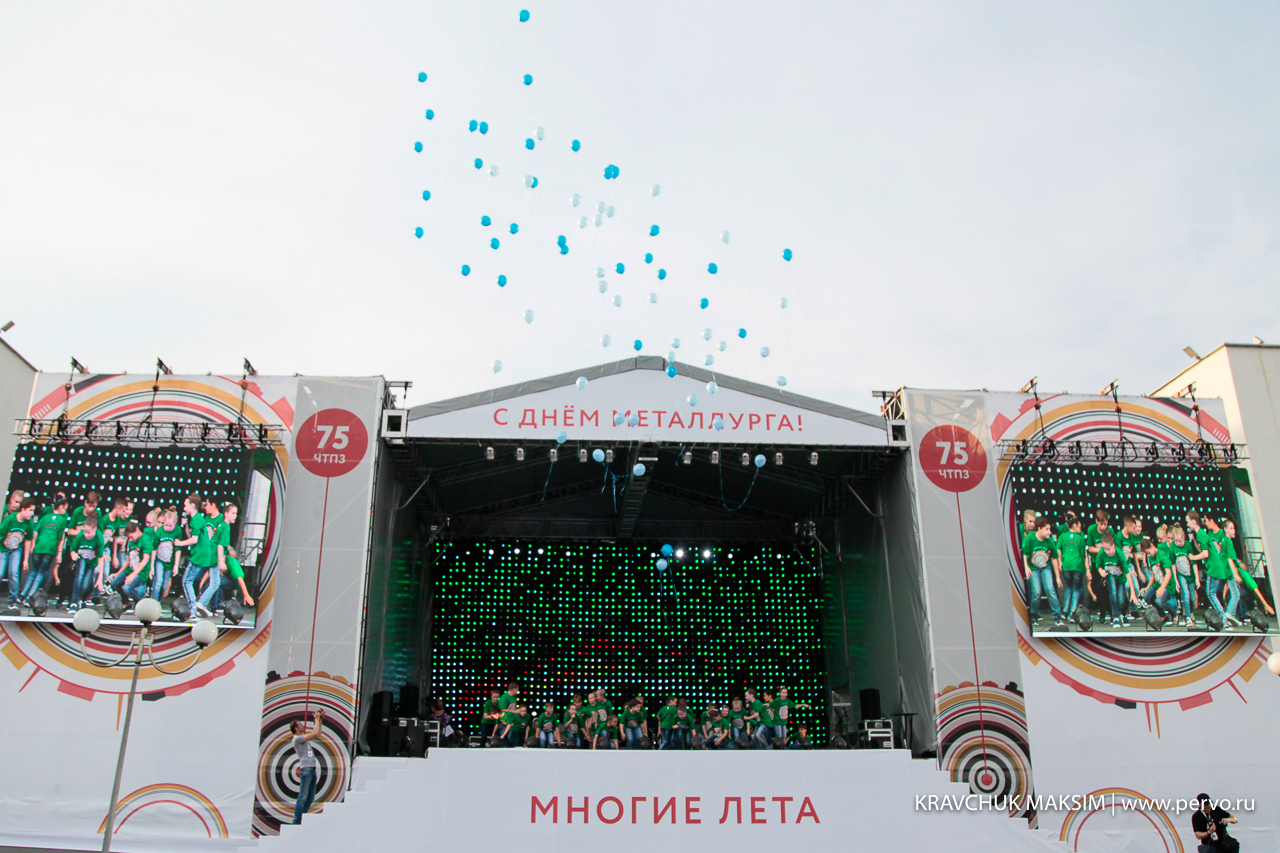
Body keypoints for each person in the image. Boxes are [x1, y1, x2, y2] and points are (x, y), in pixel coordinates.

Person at [19, 497, 70, 606]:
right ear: (60, 507)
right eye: (65, 508)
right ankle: (29, 597)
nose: (65, 511)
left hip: (39, 546)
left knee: (33, 571)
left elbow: (35, 531)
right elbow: (61, 537)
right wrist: (59, 553)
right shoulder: (62, 520)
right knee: (41, 573)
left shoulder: (45, 517)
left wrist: (33, 544)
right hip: (50, 548)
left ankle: (22, 595)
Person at [1023, 518, 1063, 625]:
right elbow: (1024, 554)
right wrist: (1026, 567)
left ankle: (1057, 616)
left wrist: (1058, 577)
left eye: (1049, 529)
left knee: (1050, 589)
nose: (1049, 532)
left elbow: (1054, 558)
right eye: (1047, 529)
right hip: (1033, 568)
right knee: (1036, 592)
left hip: (1045, 567)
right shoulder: (1030, 538)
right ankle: (1033, 615)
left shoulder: (1049, 540)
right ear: (1039, 528)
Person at [290, 709, 325, 825]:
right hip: (306, 769)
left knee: (310, 797)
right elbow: (314, 734)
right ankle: (297, 820)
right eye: (300, 725)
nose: (302, 726)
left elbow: (318, 734)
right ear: (296, 728)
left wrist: (320, 720)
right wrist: (316, 719)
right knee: (303, 796)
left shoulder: (302, 738)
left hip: (311, 769)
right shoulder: (297, 738)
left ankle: (302, 818)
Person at [1, 498, 37, 608]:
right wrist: (6, 538)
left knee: (14, 573)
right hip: (3, 548)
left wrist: (25, 560)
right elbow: (1, 534)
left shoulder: (29, 522)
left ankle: (13, 600)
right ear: (23, 509)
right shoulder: (10, 519)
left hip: (17, 549)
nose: (32, 513)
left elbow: (28, 540)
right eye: (30, 510)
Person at [1167, 524, 1206, 627]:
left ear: (1184, 538)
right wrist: (1176, 580)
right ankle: (1187, 616)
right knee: (1186, 595)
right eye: (1176, 541)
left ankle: (1190, 612)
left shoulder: (1188, 546)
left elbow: (1193, 563)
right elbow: (1173, 564)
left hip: (1190, 574)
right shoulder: (1172, 547)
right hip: (1181, 574)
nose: (1178, 543)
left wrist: (1197, 578)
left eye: (1180, 541)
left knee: (1192, 598)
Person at [1094, 534, 1137, 628]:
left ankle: (1123, 614)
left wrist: (1133, 592)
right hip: (1110, 575)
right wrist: (1101, 571)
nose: (1107, 552)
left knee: (1121, 599)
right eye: (1105, 549)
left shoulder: (1119, 554)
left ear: (1113, 545)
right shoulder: (1102, 553)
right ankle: (1115, 617)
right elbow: (1098, 566)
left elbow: (1127, 573)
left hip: (1120, 577)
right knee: (1113, 593)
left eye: (1109, 549)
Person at [69, 514, 108, 612]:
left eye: (89, 532)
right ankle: (73, 602)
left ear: (95, 529)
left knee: (86, 584)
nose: (86, 535)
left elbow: (100, 558)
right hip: (81, 558)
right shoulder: (80, 535)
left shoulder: (99, 537)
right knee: (79, 577)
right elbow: (73, 549)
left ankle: (83, 600)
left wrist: (100, 578)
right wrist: (73, 554)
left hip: (92, 561)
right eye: (85, 532)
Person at [1057, 516, 1091, 623]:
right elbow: (1083, 555)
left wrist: (1060, 562)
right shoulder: (1080, 538)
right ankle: (1072, 614)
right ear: (1075, 525)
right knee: (1076, 589)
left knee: (1068, 588)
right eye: (1079, 527)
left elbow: (1058, 550)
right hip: (1077, 565)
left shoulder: (1062, 536)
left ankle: (1064, 612)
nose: (1080, 529)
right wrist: (1086, 568)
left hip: (1066, 565)